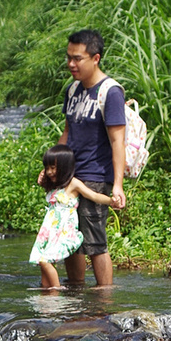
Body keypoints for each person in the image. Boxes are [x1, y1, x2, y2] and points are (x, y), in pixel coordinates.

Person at [59, 29, 126, 288]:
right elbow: (67, 131)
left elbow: (117, 141)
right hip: (69, 176)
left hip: (96, 177)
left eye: (77, 58)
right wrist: (52, 166)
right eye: (68, 58)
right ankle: (76, 294)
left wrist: (117, 184)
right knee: (70, 239)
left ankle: (104, 302)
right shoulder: (73, 90)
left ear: (95, 58)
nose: (71, 64)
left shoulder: (110, 92)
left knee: (95, 241)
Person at [29, 143, 113, 290]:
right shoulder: (56, 185)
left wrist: (112, 201)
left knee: (44, 260)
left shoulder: (73, 184)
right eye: (47, 168)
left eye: (53, 168)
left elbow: (93, 195)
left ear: (64, 166)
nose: (49, 172)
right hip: (50, 232)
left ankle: (55, 290)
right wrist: (42, 178)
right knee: (41, 261)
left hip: (63, 232)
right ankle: (45, 290)